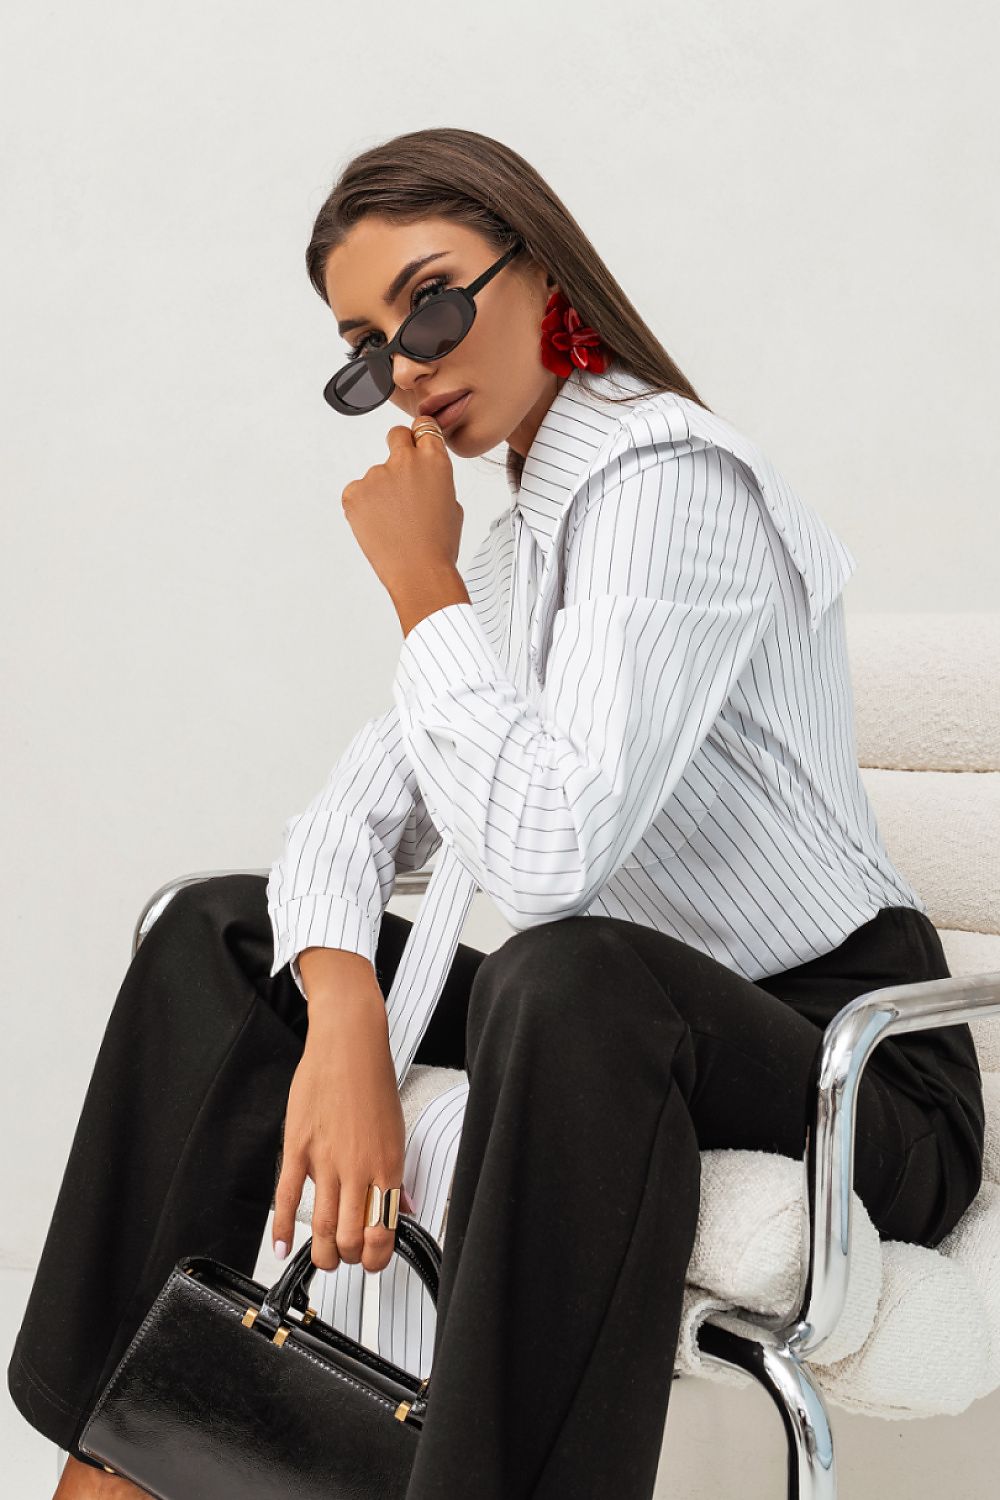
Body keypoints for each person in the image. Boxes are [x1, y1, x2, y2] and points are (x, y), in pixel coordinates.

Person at [7, 126, 985, 1500]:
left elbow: (550, 855)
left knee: (564, 968)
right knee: (216, 939)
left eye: (435, 298)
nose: (408, 363)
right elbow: (343, 827)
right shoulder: (531, 539)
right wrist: (342, 1020)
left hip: (855, 1076)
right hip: (632, 1025)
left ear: (546, 273)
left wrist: (421, 591)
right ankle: (120, 1466)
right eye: (367, 348)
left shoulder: (671, 485)